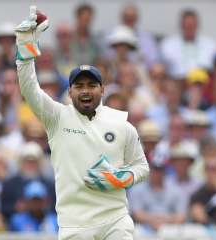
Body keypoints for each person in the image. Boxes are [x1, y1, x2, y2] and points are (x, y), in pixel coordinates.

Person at [15, 6, 149, 239]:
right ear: (70, 91)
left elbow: (141, 167)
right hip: (74, 224)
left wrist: (121, 178)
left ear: (102, 89)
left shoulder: (121, 123)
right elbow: (29, 88)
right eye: (79, 86)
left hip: (114, 219)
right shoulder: (57, 117)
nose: (85, 91)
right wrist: (25, 50)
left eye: (91, 85)